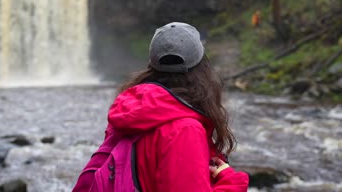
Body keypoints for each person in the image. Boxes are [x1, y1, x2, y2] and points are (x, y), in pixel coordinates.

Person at [105, 22, 249, 191]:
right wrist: (233, 183)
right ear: (202, 69)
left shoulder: (131, 110)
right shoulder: (184, 130)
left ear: (151, 66)